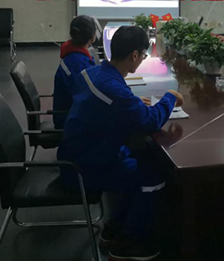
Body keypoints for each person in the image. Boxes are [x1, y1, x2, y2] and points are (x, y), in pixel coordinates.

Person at [58, 26, 183, 260]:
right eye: (143, 55)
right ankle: (129, 243)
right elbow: (149, 120)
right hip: (84, 167)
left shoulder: (93, 73)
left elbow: (108, 105)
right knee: (152, 176)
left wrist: (131, 104)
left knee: (142, 156)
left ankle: (114, 228)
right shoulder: (112, 88)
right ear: (134, 55)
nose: (142, 59)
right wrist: (170, 97)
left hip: (80, 151)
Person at [52, 15, 96, 129]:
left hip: (71, 112)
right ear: (93, 37)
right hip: (71, 120)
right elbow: (92, 95)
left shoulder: (74, 56)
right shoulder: (78, 64)